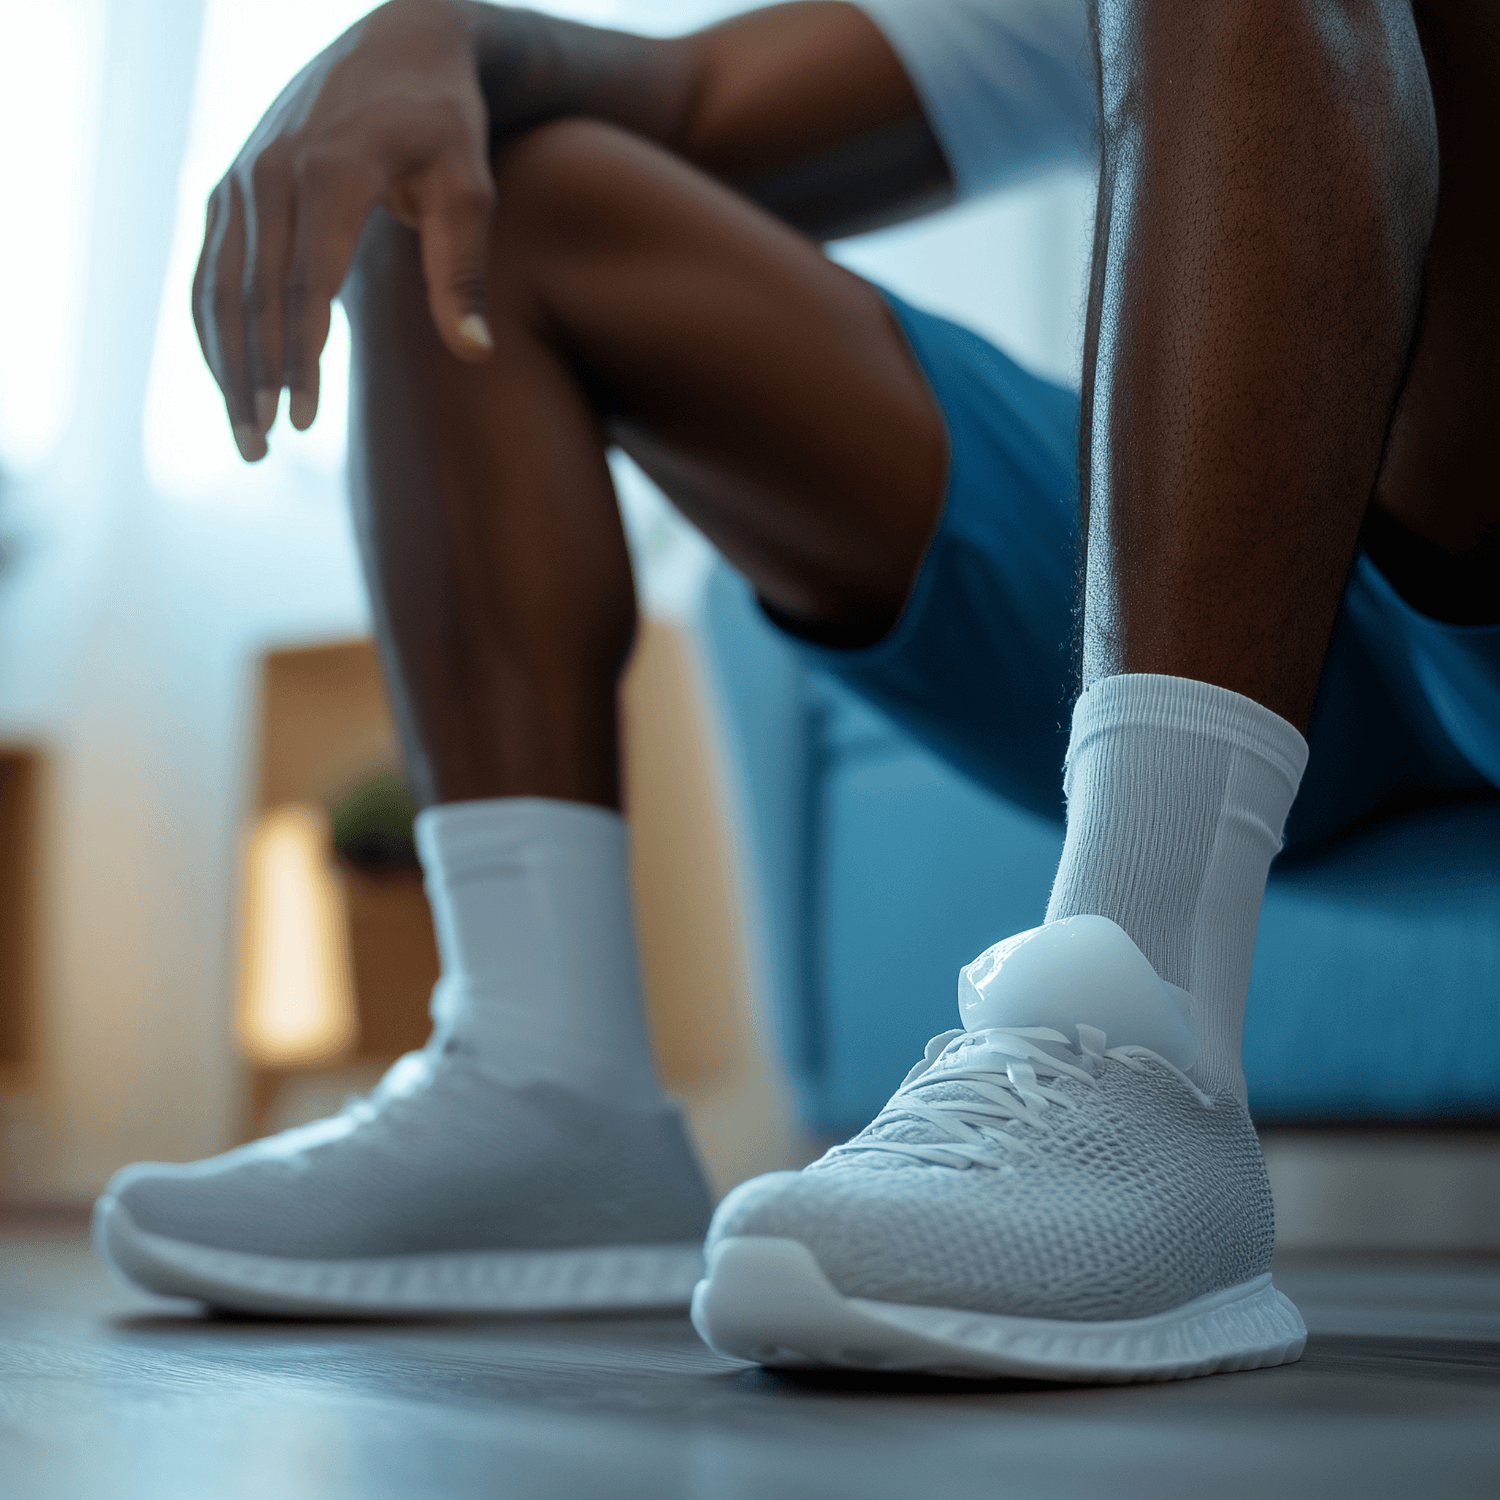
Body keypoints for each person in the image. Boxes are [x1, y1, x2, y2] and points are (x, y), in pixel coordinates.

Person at [93, 0, 1498, 1381]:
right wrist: (446, 37)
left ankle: (1147, 1032)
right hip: (1264, 596)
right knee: (467, 179)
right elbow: (695, 101)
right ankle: (543, 1079)